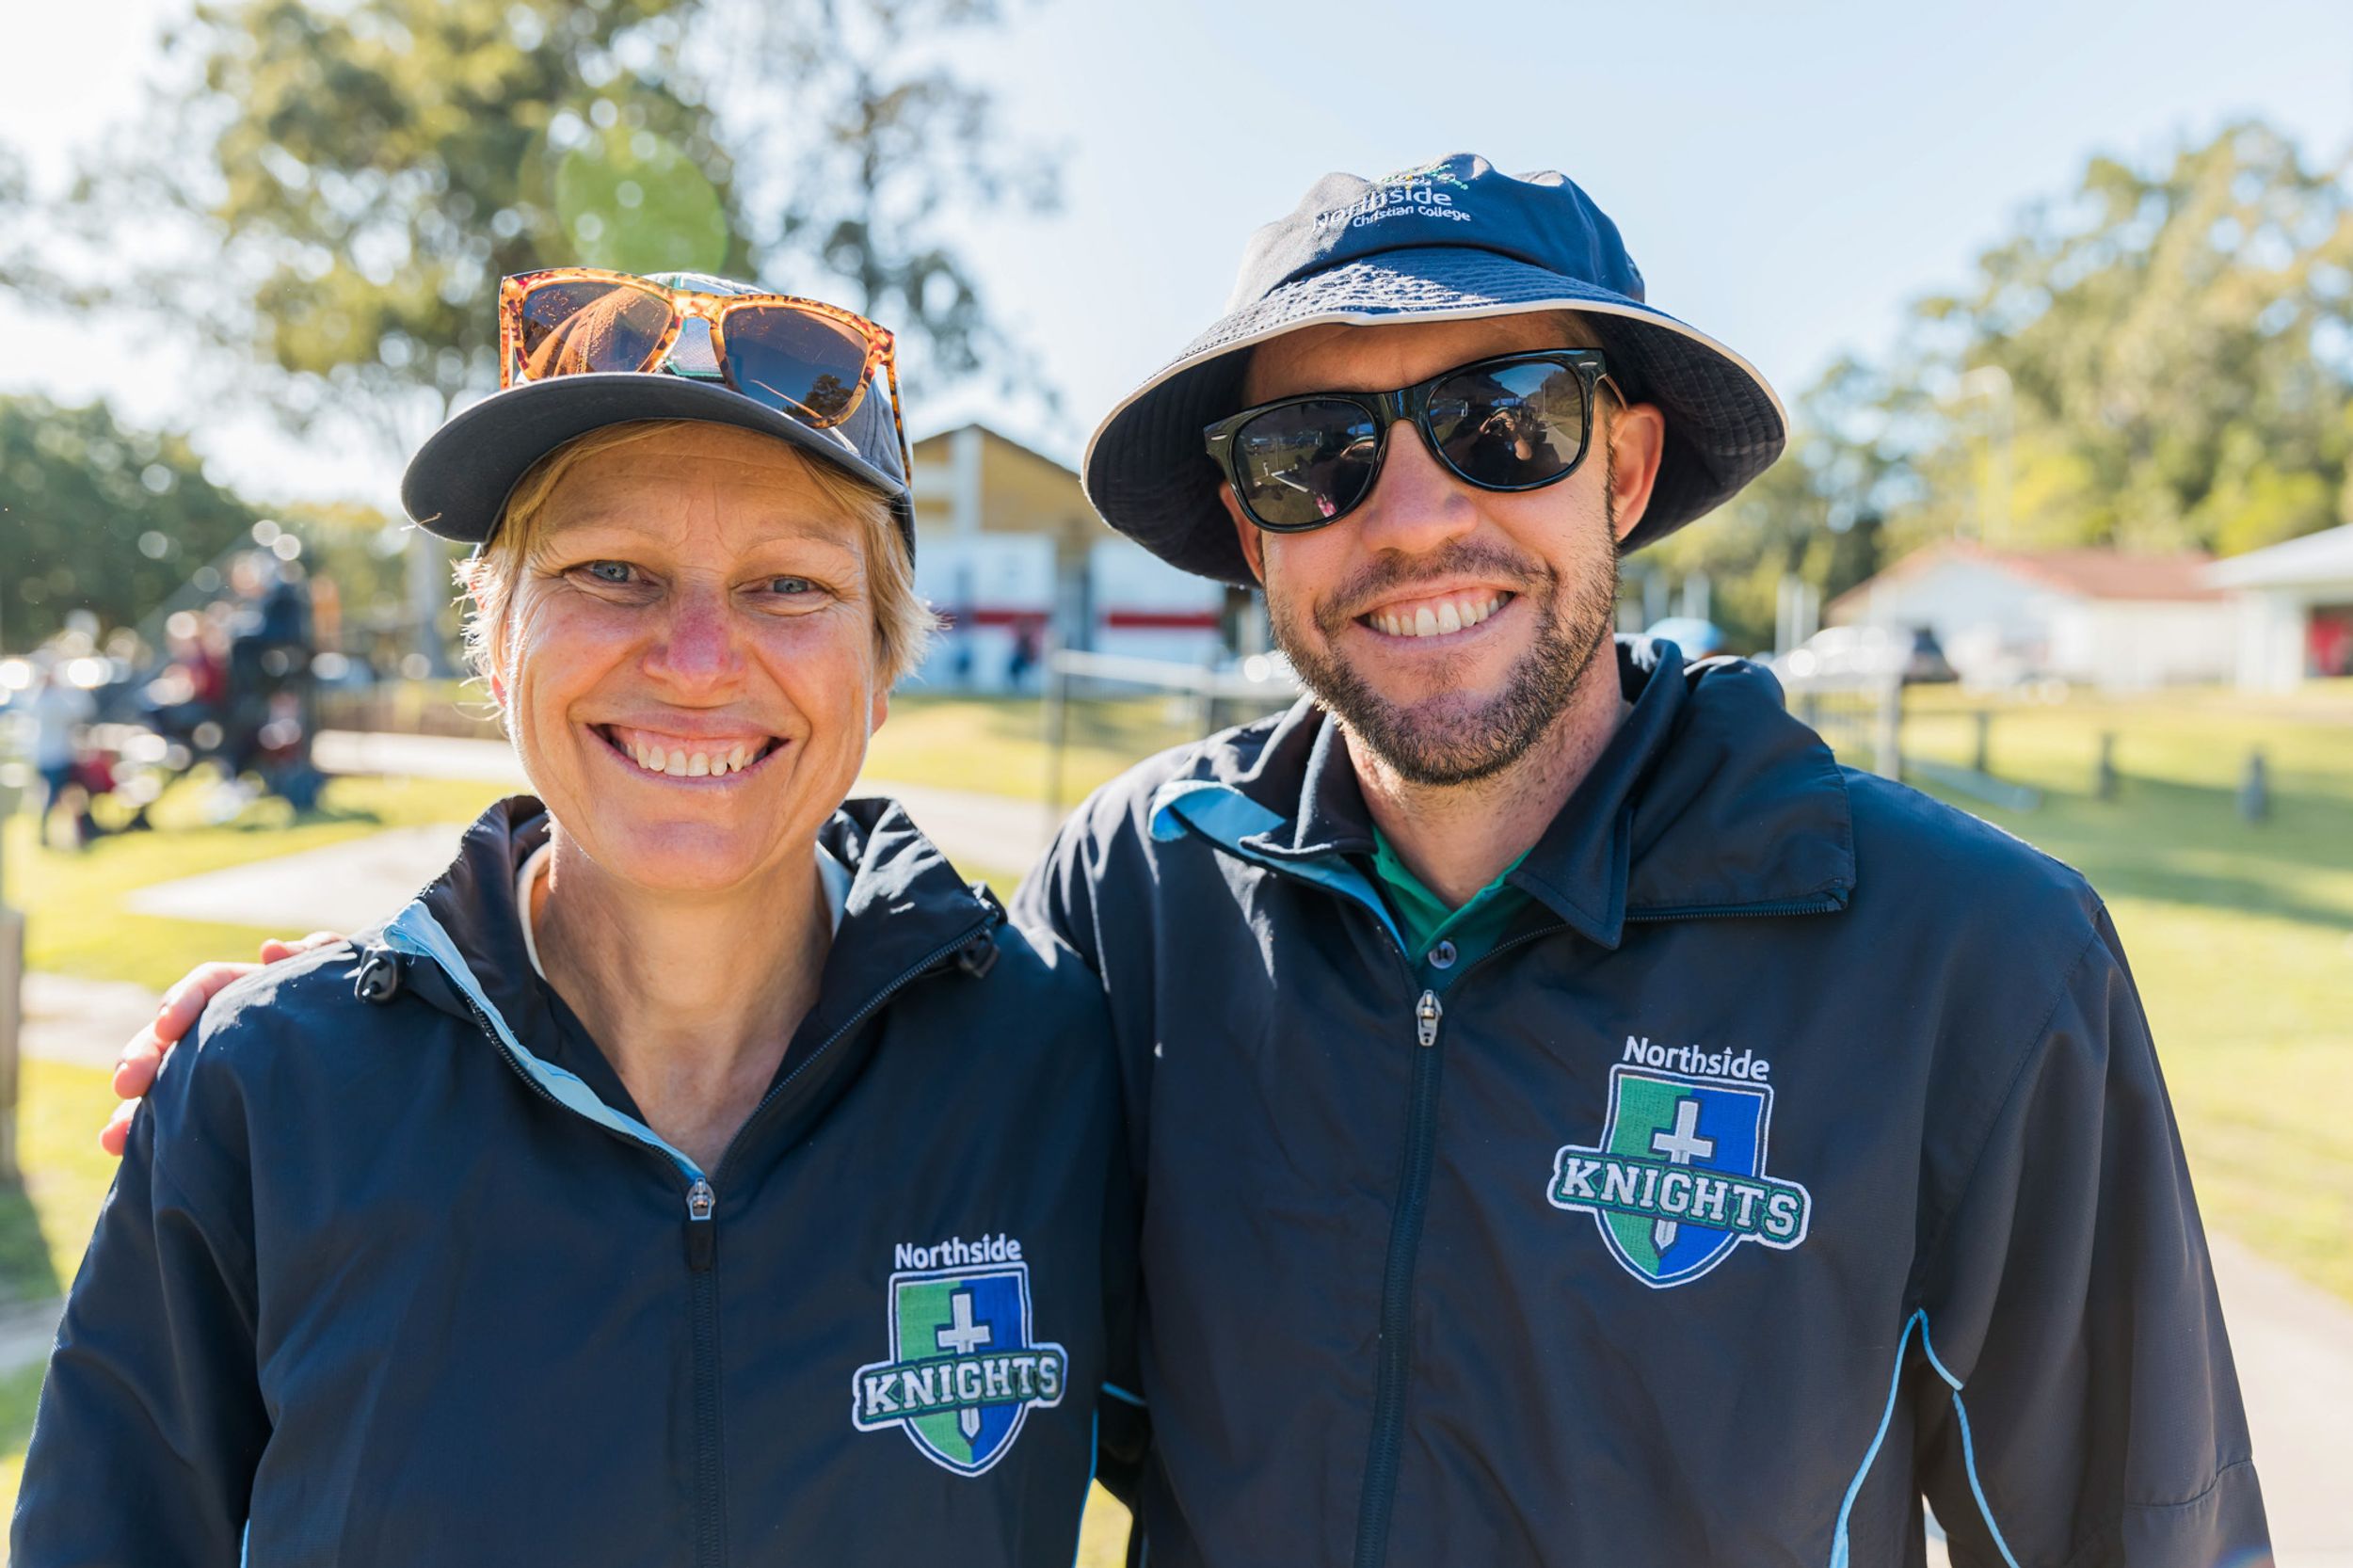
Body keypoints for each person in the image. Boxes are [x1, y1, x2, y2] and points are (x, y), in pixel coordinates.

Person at [113, 162, 2268, 1568]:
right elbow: (792, 1028)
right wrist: (401, 1013)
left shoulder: (1970, 958)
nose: (1411, 516)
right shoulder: (1134, 898)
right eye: (1314, 455)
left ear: (1620, 466)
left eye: (1502, 423)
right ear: (1245, 527)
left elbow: (2136, 1525)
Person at [25, 268, 1134, 1566]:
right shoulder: (268, 1097)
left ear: (882, 663)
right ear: (496, 644)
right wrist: (309, 1035)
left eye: (788, 585)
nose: (698, 660)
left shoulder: (1056, 1058)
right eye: (612, 570)